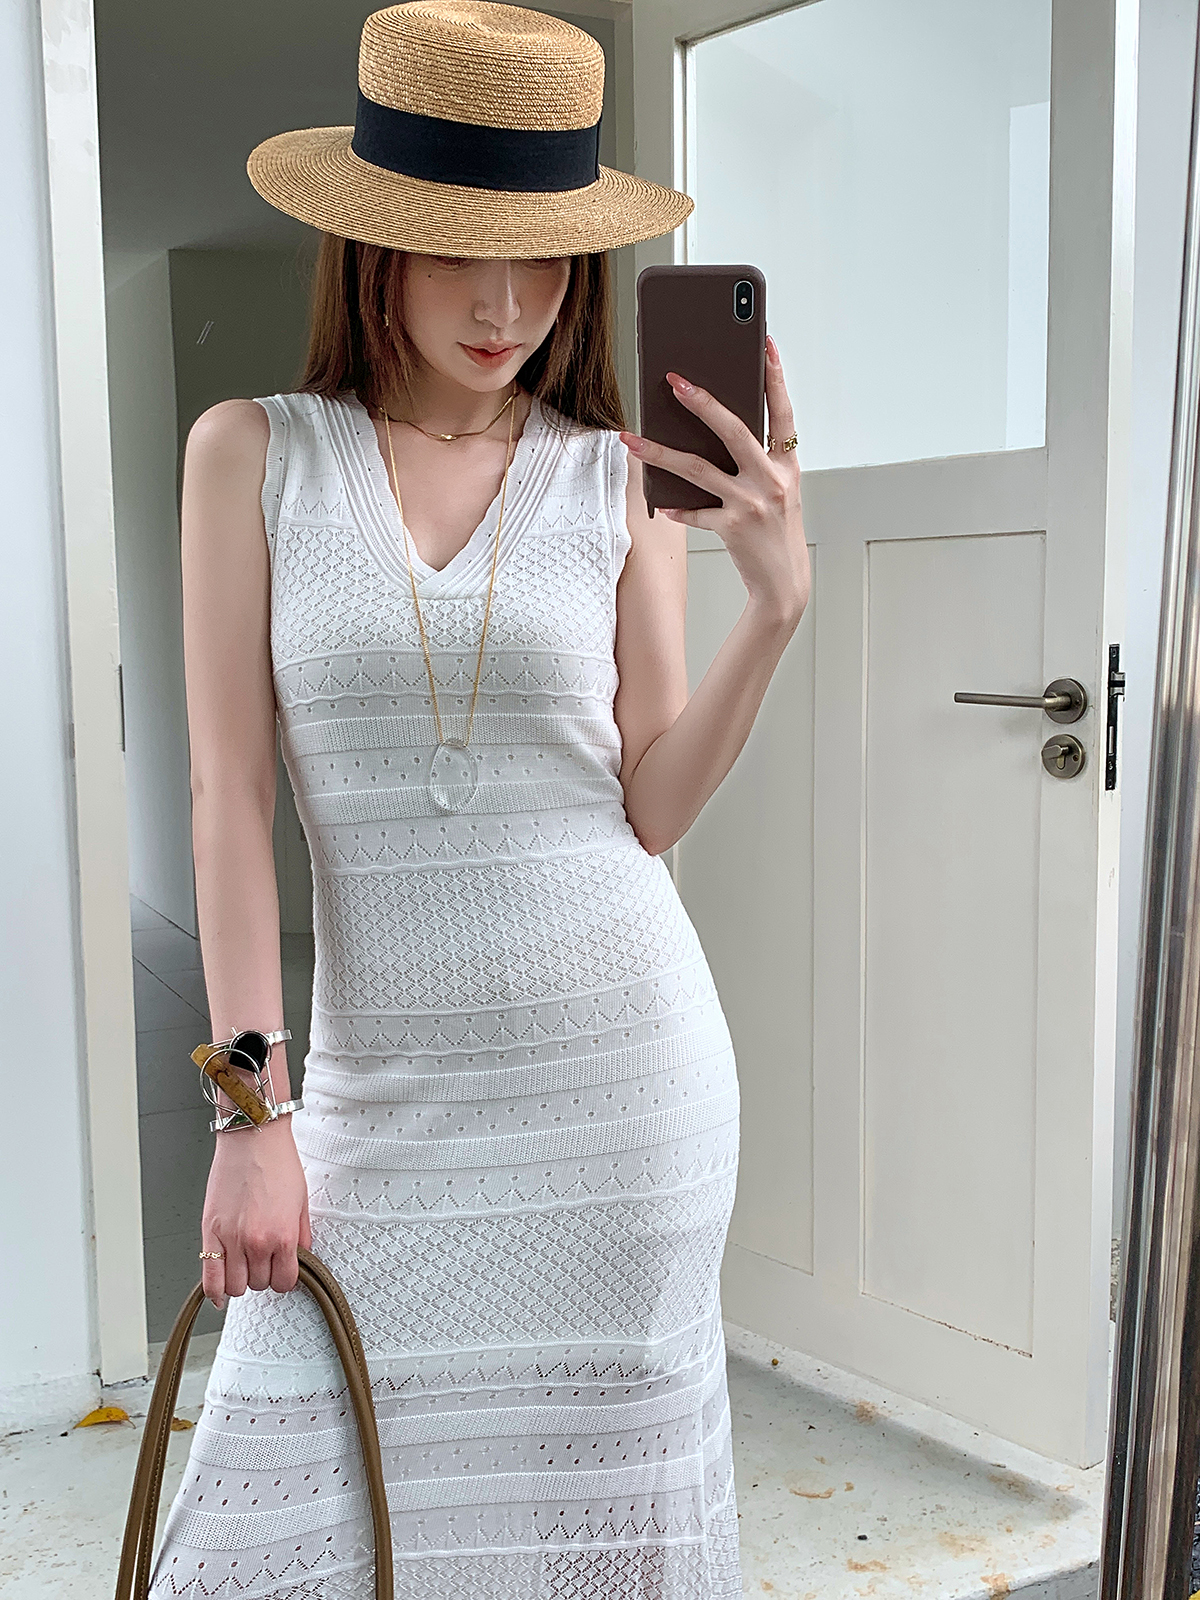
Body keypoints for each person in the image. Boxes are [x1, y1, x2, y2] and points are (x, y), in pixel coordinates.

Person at [151, 4, 808, 1596]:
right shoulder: (251, 455)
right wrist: (253, 1115)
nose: (505, 304)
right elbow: (229, 798)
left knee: (598, 1543)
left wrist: (775, 612)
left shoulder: (614, 477)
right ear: (372, 243)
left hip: (623, 1096)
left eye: (541, 256)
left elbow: (651, 804)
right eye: (457, 254)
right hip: (378, 1102)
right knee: (259, 1526)